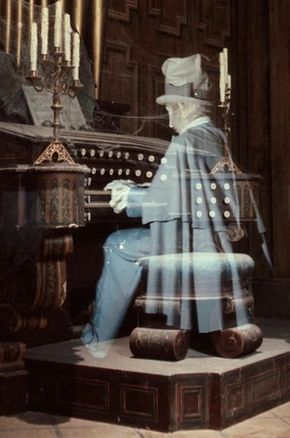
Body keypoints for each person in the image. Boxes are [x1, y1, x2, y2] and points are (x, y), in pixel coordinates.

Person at [81, 53, 248, 357]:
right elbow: (185, 190)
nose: (170, 119)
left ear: (183, 107)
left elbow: (166, 201)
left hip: (189, 238)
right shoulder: (213, 135)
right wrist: (139, 188)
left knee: (118, 243)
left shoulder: (186, 141)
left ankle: (96, 338)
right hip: (207, 235)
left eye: (171, 109)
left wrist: (128, 197)